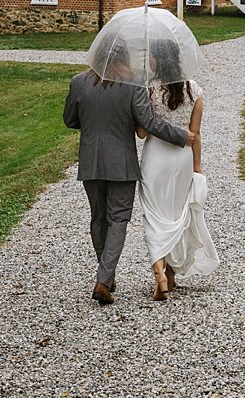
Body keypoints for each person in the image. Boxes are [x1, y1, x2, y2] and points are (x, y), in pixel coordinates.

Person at [62, 58, 197, 305]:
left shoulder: (78, 82)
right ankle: (103, 279)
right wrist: (180, 136)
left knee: (98, 217)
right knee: (118, 219)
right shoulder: (132, 85)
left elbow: (70, 120)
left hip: (91, 160)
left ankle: (106, 274)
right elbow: (149, 122)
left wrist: (94, 121)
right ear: (122, 59)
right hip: (121, 164)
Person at [135, 35, 220, 300]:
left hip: (156, 159)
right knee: (175, 216)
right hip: (182, 158)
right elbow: (196, 133)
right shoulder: (194, 89)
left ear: (158, 59)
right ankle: (170, 273)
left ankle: (160, 272)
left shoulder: (148, 89)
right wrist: (197, 166)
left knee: (154, 215)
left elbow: (141, 133)